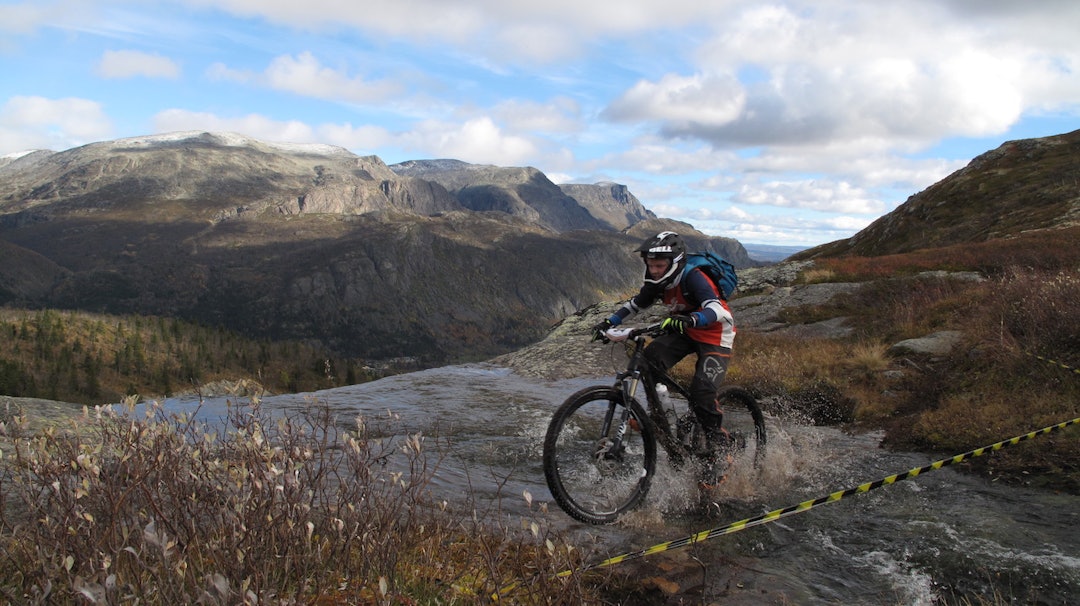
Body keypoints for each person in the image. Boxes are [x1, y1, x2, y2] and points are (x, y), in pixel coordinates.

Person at [591, 231, 736, 487]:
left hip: (715, 334)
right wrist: (609, 322)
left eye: (660, 265)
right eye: (650, 265)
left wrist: (693, 318)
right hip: (685, 332)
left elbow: (716, 308)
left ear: (674, 262)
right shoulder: (656, 282)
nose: (655, 270)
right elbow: (635, 305)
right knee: (649, 360)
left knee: (702, 392)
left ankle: (721, 447)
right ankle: (659, 421)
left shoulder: (693, 276)